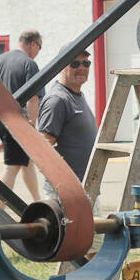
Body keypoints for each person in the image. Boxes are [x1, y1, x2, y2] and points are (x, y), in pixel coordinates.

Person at [35, 49, 97, 198]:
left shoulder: (77, 95)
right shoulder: (57, 100)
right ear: (62, 66)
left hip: (85, 189)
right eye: (75, 63)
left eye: (86, 63)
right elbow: (42, 150)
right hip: (67, 194)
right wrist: (63, 186)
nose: (82, 68)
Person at [0, 29, 44, 201]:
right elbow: (33, 98)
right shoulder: (29, 64)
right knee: (12, 167)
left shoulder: (0, 60)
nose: (38, 52)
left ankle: (38, 201)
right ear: (33, 44)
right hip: (17, 123)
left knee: (25, 162)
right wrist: (32, 124)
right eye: (39, 47)